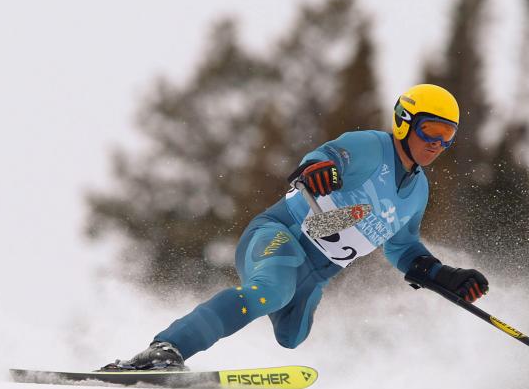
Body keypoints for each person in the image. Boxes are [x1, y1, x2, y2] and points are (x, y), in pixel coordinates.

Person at [101, 83, 490, 371]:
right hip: (280, 234)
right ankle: (166, 348)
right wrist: (322, 170)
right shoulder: (373, 147)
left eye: (448, 137)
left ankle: (278, 294)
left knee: (292, 337)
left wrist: (446, 276)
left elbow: (403, 249)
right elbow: (323, 157)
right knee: (269, 291)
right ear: (404, 123)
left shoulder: (417, 191)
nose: (438, 143)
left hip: (316, 274)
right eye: (430, 131)